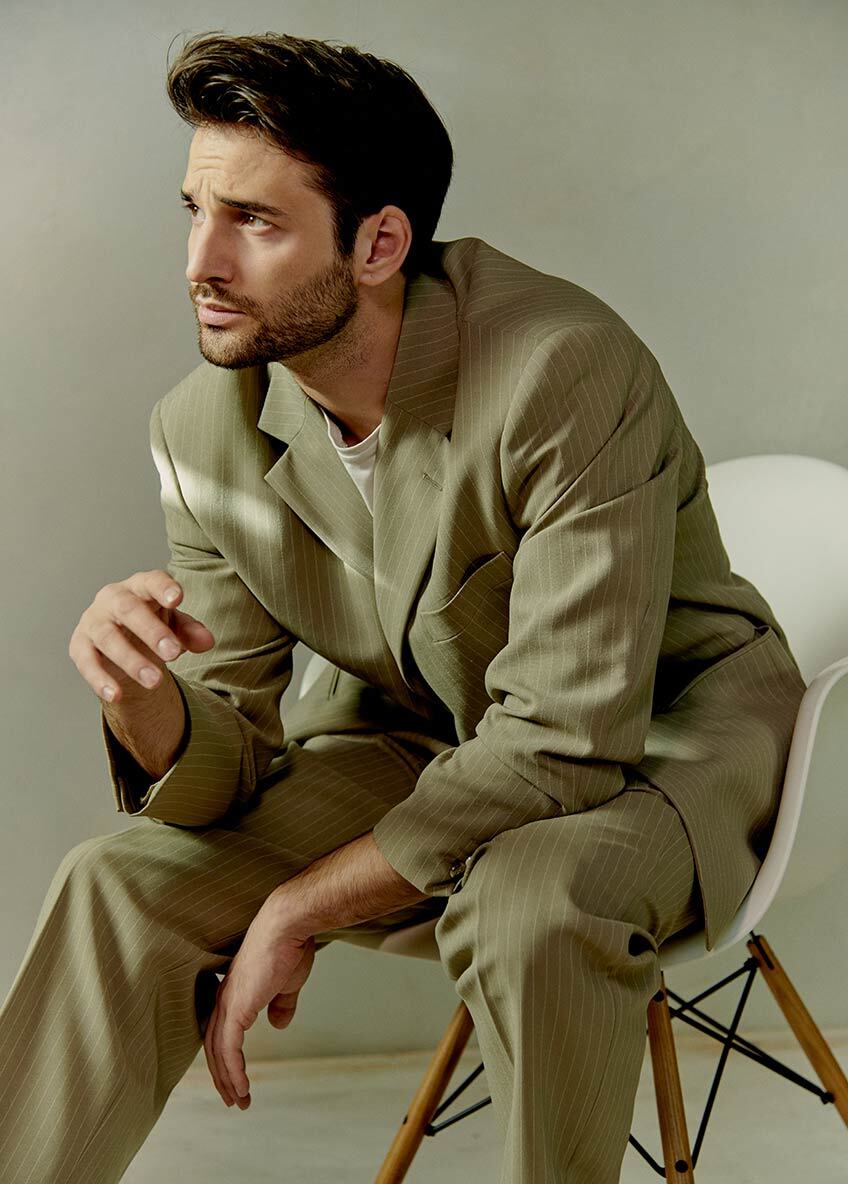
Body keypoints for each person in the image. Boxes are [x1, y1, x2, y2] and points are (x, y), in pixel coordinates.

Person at [0, 30, 807, 1184]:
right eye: (195, 210)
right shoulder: (202, 427)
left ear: (378, 243)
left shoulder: (559, 368)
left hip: (661, 738)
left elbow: (567, 738)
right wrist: (142, 699)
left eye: (254, 221)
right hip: (424, 734)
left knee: (527, 903)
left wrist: (298, 905)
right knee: (118, 882)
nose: (200, 262)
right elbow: (232, 754)